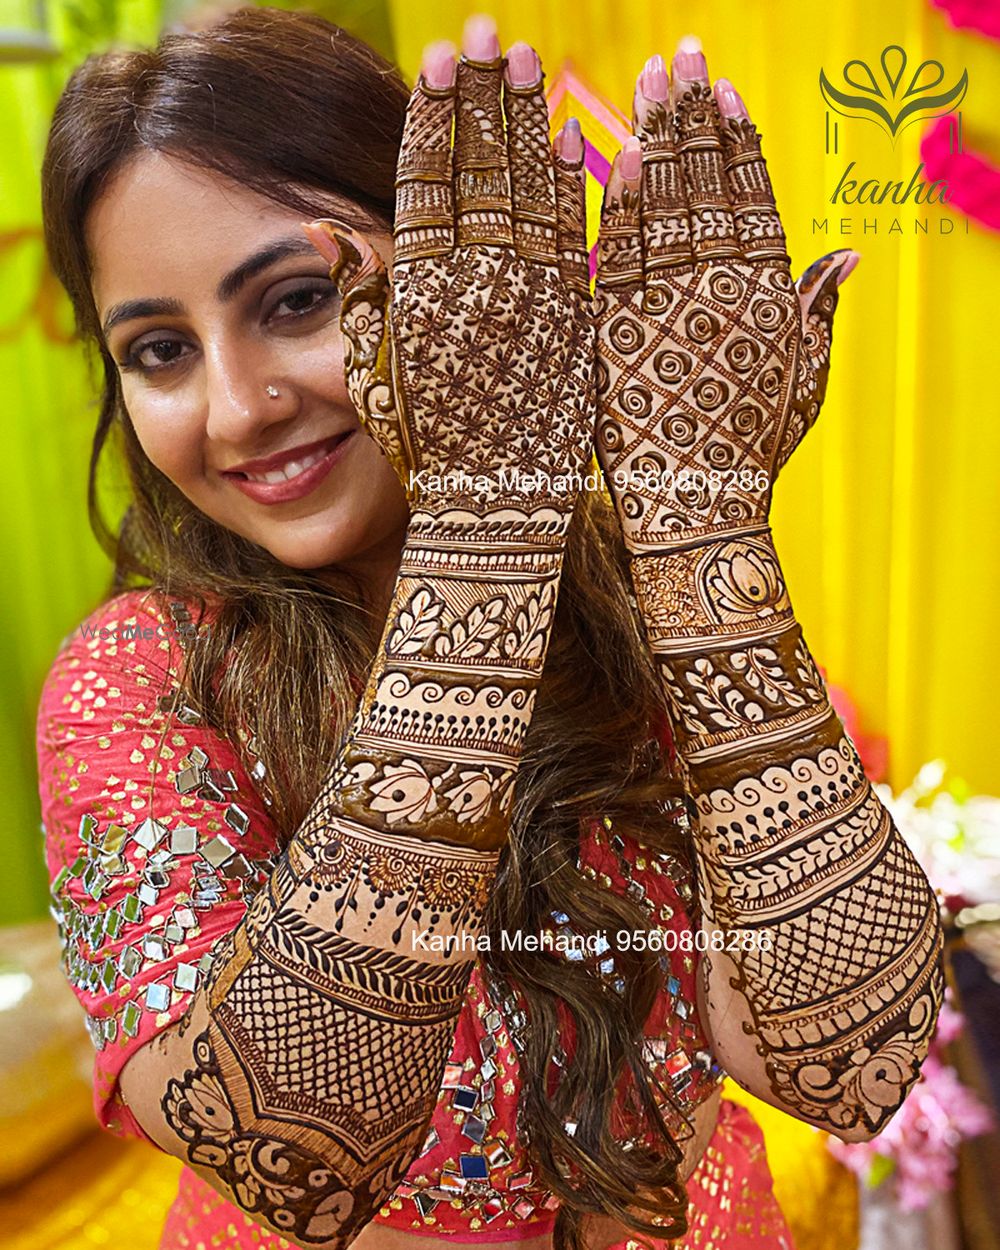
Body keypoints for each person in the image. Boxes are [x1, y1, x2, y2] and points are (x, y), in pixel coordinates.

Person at [35, 7, 944, 1250]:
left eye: (299, 299)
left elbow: (849, 1066)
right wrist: (484, 532)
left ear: (477, 270)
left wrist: (705, 525)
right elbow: (294, 1152)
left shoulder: (650, 609)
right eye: (157, 350)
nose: (238, 407)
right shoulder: (143, 678)